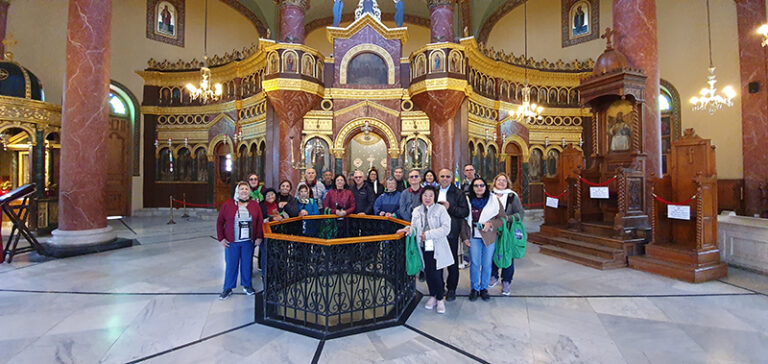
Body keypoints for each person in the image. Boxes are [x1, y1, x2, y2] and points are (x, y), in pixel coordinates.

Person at [397, 186, 453, 314]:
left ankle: (440, 298)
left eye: (431, 195)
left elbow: (446, 228)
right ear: (421, 196)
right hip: (423, 247)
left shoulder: (441, 209)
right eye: (425, 195)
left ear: (435, 197)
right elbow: (414, 227)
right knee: (427, 272)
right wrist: (407, 229)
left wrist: (429, 234)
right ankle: (433, 295)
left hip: (436, 246)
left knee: (436, 273)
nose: (427, 198)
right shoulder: (416, 210)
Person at [216, 181, 264, 300]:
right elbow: (220, 222)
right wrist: (221, 238)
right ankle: (228, 287)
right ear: (237, 191)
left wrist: (259, 236)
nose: (244, 191)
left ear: (249, 192)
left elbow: (259, 222)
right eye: (241, 189)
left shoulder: (254, 205)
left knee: (247, 264)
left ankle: (247, 285)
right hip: (232, 241)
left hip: (248, 241)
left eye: (246, 189)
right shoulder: (228, 204)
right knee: (231, 265)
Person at [461, 177, 505, 302]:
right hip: (473, 236)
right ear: (472, 187)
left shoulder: (494, 200)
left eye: (481, 185)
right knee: (475, 263)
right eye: (476, 185)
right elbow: (463, 221)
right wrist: (464, 237)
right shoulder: (467, 200)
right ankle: (474, 288)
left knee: (486, 264)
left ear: (486, 187)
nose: (479, 188)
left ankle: (484, 288)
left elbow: (503, 218)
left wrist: (490, 223)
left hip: (489, 236)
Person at [436, 168, 469, 302]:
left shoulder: (458, 193)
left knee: (452, 263)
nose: (444, 178)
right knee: (436, 262)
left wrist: (450, 208)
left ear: (451, 178)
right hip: (435, 232)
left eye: (447, 176)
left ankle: (451, 289)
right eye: (442, 176)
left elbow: (465, 212)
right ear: (438, 177)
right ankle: (439, 287)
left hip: (451, 232)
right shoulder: (433, 191)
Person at [489, 173, 525, 295]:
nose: (501, 182)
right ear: (495, 182)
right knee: (492, 254)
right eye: (499, 180)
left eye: (504, 181)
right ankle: (493, 276)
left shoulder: (511, 196)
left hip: (507, 231)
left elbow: (520, 213)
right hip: (492, 230)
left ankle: (506, 281)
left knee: (507, 255)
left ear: (507, 183)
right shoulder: (490, 195)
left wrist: (507, 218)